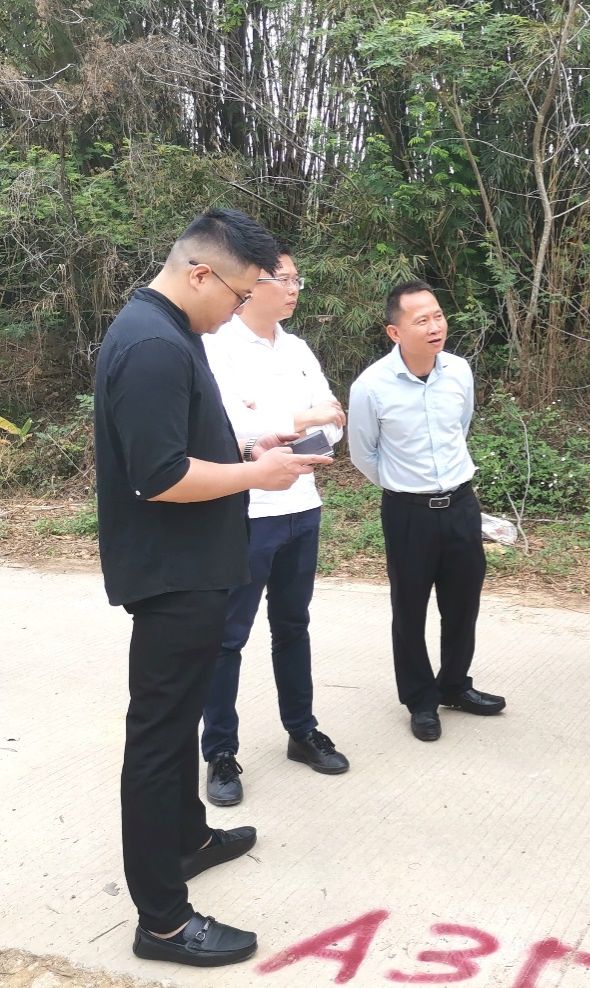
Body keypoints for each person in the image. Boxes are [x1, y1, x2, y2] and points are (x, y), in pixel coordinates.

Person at [94, 208, 331, 967]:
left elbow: (185, 441)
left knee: (177, 725)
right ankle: (163, 922)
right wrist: (258, 477)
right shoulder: (153, 345)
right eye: (237, 293)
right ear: (200, 273)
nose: (238, 309)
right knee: (160, 741)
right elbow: (160, 476)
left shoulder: (170, 331)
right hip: (173, 576)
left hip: (196, 567)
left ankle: (188, 840)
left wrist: (253, 447)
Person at [199, 246, 350, 807]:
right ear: (250, 283)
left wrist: (295, 423)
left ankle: (302, 731)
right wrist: (301, 419)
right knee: (227, 637)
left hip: (302, 506)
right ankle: (219, 751)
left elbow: (334, 423)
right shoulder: (217, 347)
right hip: (246, 511)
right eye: (282, 279)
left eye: (296, 279)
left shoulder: (299, 349)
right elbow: (232, 429)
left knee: (293, 625)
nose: (292, 289)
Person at [348, 280, 504, 743]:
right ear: (395, 332)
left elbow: (461, 425)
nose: (436, 326)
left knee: (463, 602)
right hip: (408, 512)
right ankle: (420, 700)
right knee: (410, 608)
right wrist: (404, 487)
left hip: (461, 504)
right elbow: (363, 453)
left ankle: (455, 684)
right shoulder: (370, 386)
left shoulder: (459, 371)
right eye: (422, 320)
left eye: (438, 315)